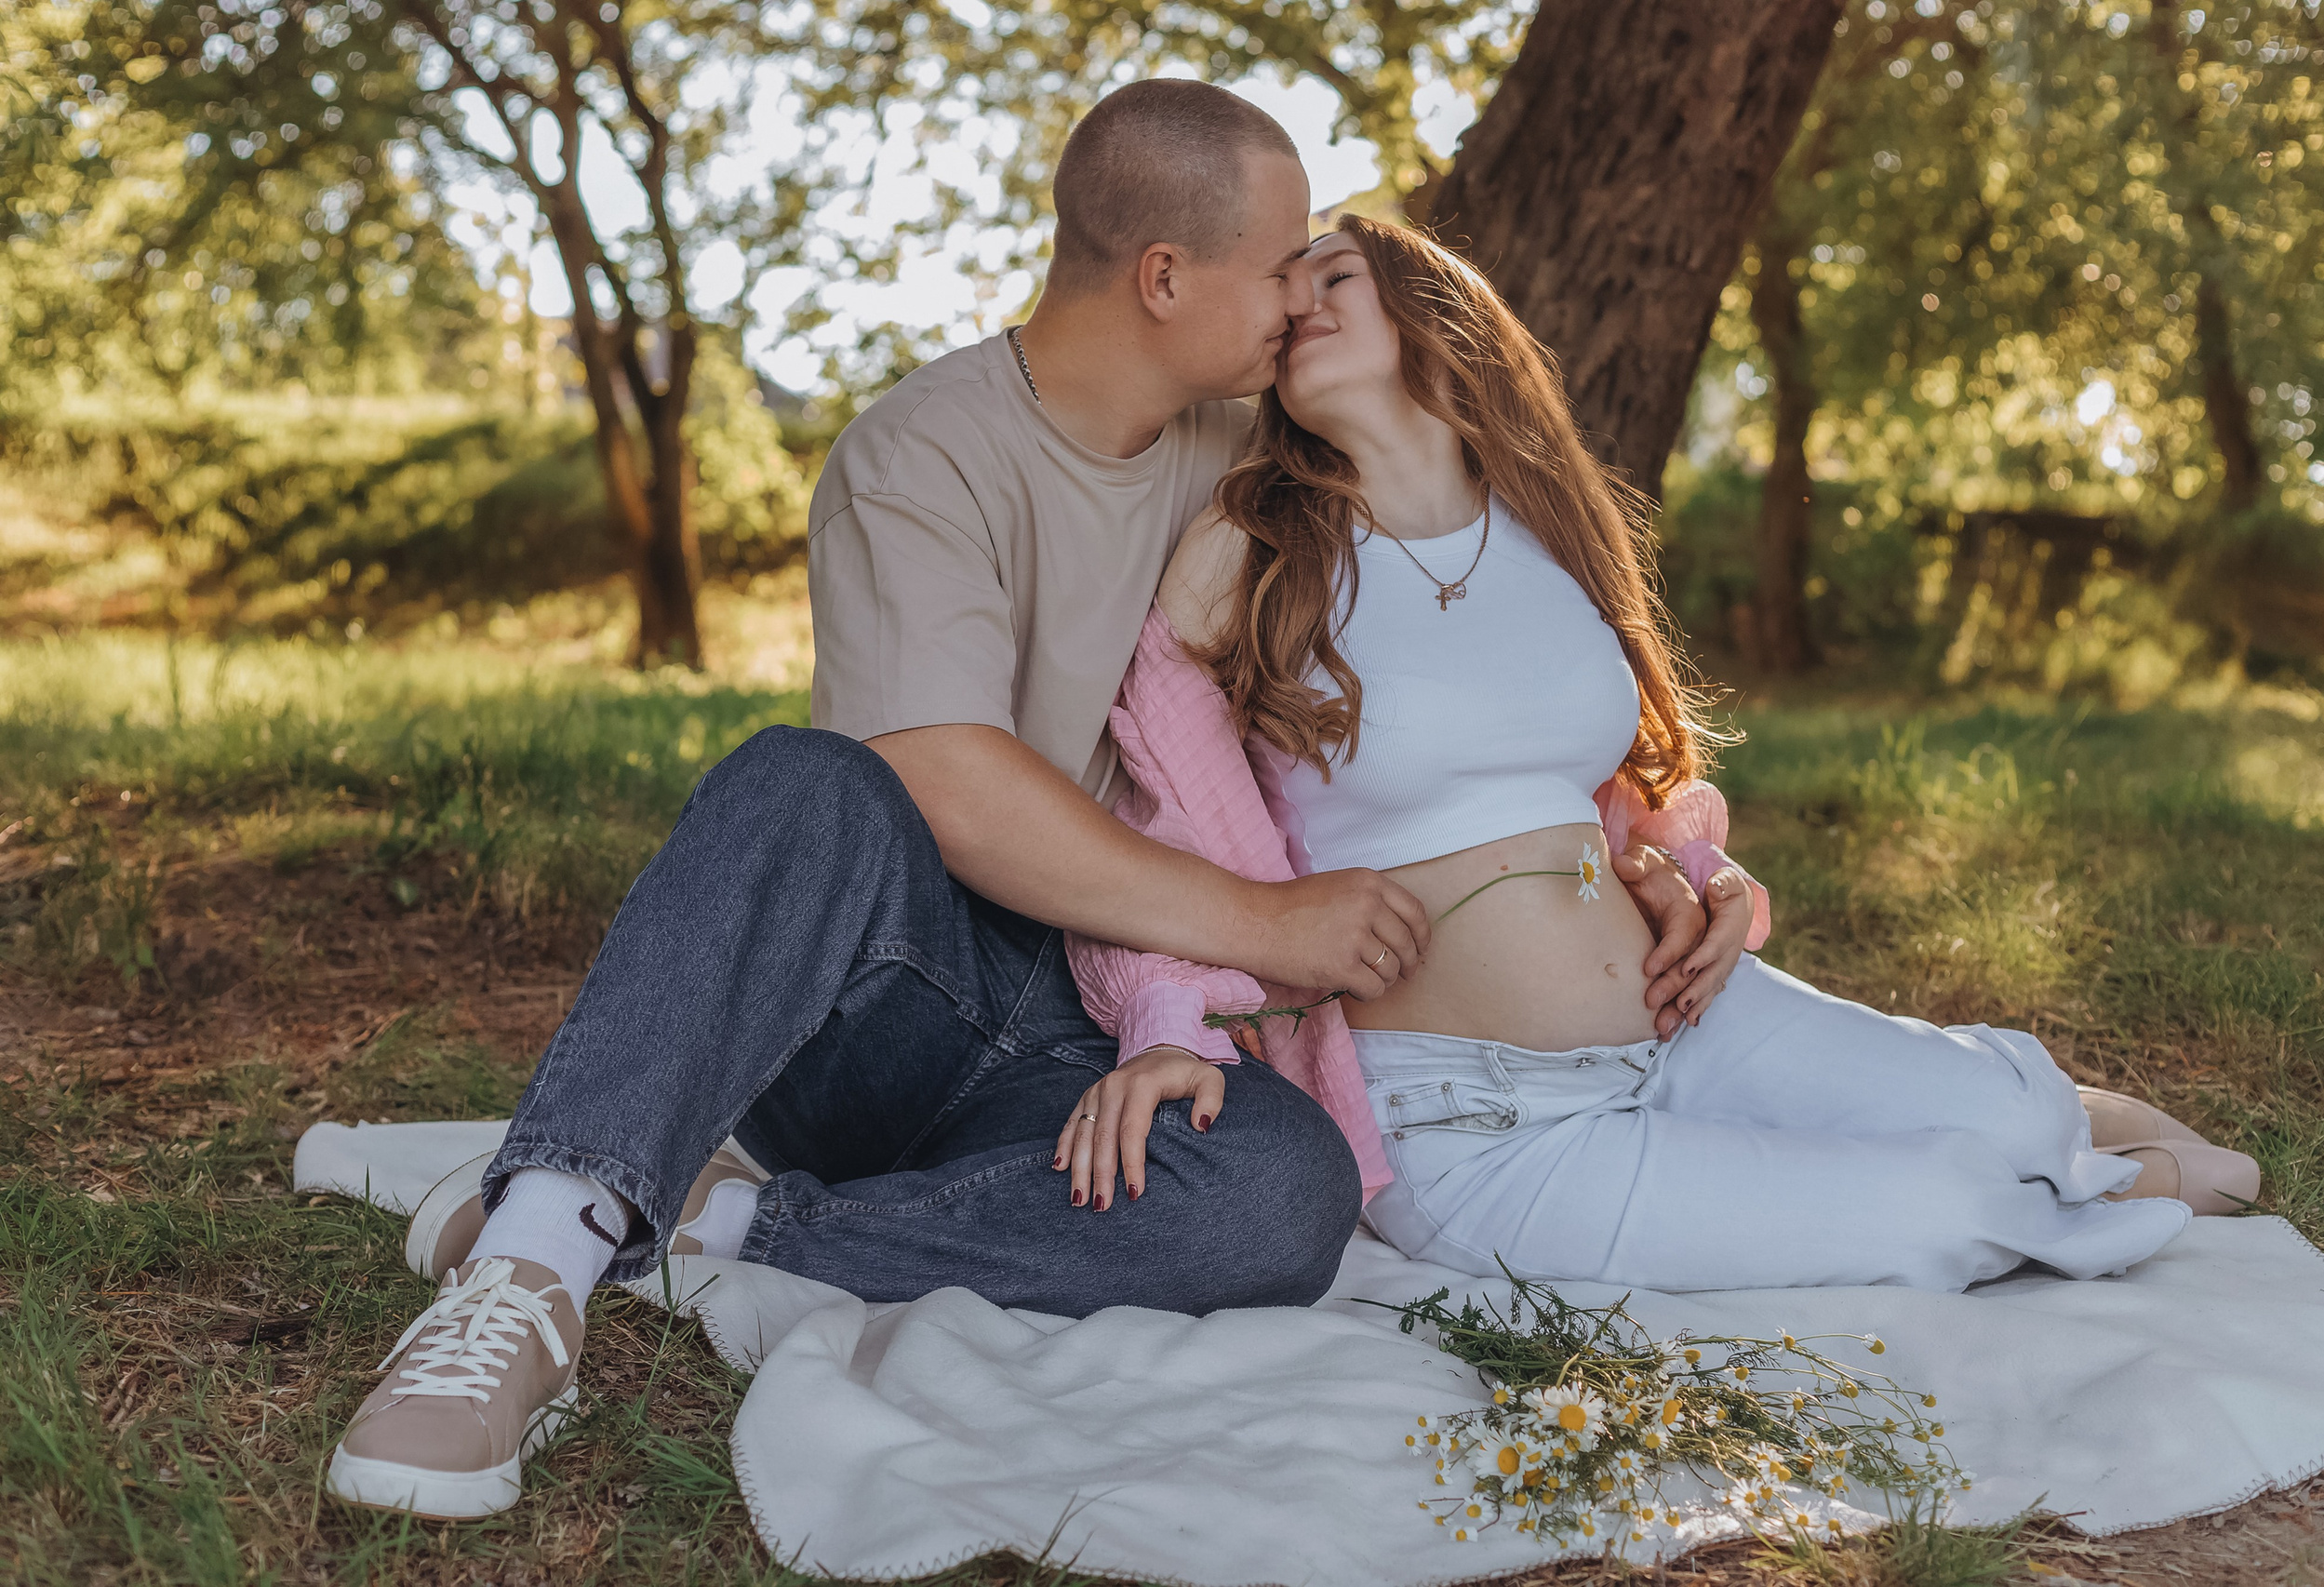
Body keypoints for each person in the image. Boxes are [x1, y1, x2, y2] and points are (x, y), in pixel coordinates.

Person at [324, 83, 1738, 1521]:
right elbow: (947, 784)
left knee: (1282, 1188)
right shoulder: (919, 454)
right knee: (803, 784)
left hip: (1100, 1033)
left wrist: (1665, 847)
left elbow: (1482, 646)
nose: (1302, 301)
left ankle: (726, 1223)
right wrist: (1268, 923)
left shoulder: (1254, 454)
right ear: (1166, 277)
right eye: (1280, 265)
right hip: (895, 1003)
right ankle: (531, 1268)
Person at [1058, 214, 2259, 1296]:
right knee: (1944, 1204)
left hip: (1692, 1019)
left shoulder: (1547, 528)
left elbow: (1623, 795)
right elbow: (1155, 820)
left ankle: (2055, 1127)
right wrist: (1168, 1025)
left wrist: (1709, 883)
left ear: (1433, 311)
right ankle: (2099, 1174)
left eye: (1337, 271)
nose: (1301, 296)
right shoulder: (1252, 547)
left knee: (2000, 1106)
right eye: (1286, 283)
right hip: (1479, 1116)